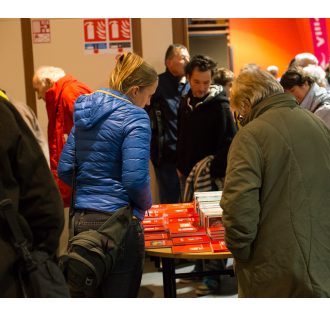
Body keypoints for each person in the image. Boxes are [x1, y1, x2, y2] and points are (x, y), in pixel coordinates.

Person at [220, 68, 330, 297]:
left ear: (245, 104)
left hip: (281, 267)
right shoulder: (316, 122)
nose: (239, 120)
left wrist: (240, 251)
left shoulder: (250, 135)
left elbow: (239, 205)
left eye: (239, 114)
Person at [58, 52, 158, 297]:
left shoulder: (85, 111)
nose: (148, 103)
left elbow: (64, 169)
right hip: (119, 223)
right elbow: (135, 179)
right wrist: (145, 205)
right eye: (149, 95)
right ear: (135, 90)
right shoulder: (135, 117)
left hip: (82, 222)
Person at [176, 55, 236, 295]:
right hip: (188, 174)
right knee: (195, 225)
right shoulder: (185, 102)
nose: (201, 87)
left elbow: (229, 142)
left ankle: (213, 276)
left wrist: (212, 169)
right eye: (197, 82)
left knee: (214, 227)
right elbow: (181, 135)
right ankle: (200, 270)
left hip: (211, 177)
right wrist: (180, 163)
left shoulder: (220, 105)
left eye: (206, 82)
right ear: (189, 79)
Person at [0, 96, 64, 297]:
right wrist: (40, 254)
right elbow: (43, 200)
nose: (38, 95)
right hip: (9, 270)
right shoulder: (5, 113)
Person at [280, 67, 330, 194]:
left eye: (293, 90)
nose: (291, 96)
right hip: (322, 176)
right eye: (287, 92)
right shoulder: (313, 105)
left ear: (306, 83)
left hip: (329, 179)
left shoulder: (325, 109)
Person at [32, 66, 92, 207]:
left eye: (37, 90)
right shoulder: (62, 97)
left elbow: (95, 138)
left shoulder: (71, 93)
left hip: (84, 185)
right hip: (77, 182)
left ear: (47, 81)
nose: (39, 96)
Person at [148, 44, 190, 204]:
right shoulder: (157, 85)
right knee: (171, 202)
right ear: (169, 62)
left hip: (188, 156)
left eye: (188, 57)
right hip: (166, 156)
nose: (187, 61)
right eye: (183, 58)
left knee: (190, 201)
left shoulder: (190, 85)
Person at [0, 89, 49, 164]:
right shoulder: (21, 107)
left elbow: (27, 146)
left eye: (37, 90)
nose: (38, 97)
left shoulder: (16, 110)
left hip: (32, 165)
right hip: (40, 162)